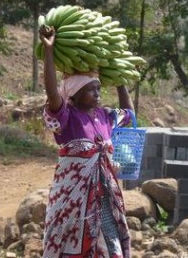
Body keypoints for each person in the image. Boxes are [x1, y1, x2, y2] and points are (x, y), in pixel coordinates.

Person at [39, 25, 134, 258]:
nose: (98, 94)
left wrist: (120, 79)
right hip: (72, 208)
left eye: (99, 88)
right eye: (91, 89)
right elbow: (52, 94)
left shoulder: (104, 116)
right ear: (73, 94)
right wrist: (48, 51)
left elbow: (129, 115)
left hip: (104, 204)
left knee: (111, 250)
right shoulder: (67, 118)